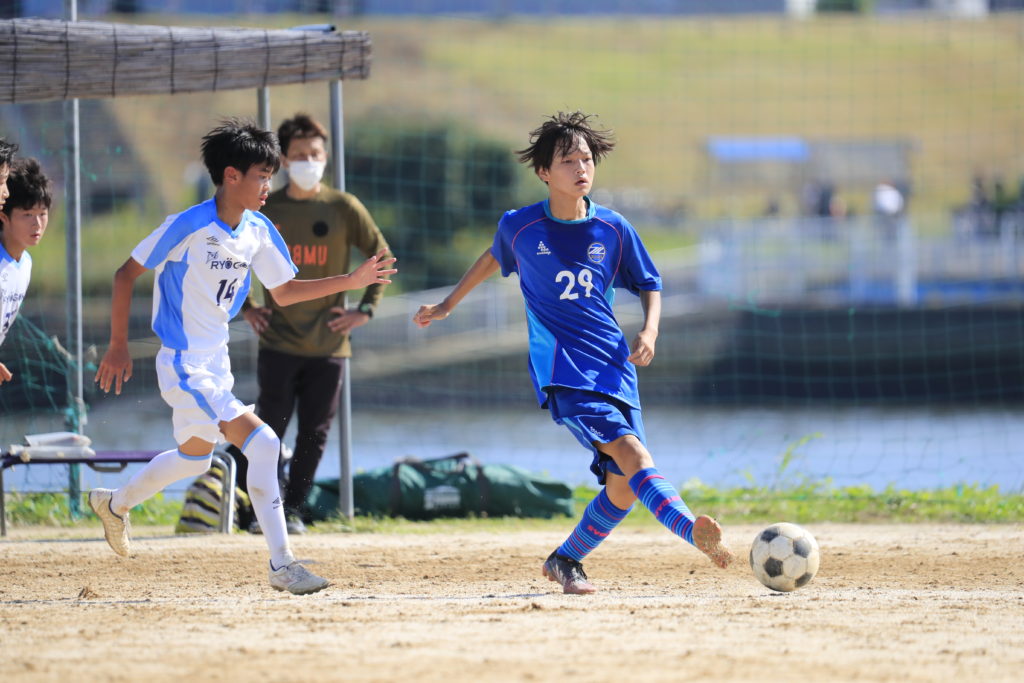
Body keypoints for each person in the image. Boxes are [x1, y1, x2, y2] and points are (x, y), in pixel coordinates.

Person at [413, 111, 733, 595]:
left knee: (622, 487)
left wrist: (650, 331)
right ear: (544, 172)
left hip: (615, 367)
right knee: (633, 454)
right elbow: (493, 257)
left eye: (586, 159)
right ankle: (694, 532)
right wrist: (447, 305)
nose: (581, 168)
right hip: (564, 371)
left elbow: (649, 282)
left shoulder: (613, 227)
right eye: (568, 161)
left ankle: (565, 560)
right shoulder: (520, 226)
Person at [90, 119, 396, 595]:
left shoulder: (258, 229)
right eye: (262, 176)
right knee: (265, 443)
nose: (269, 186)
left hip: (217, 363)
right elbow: (124, 274)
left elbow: (285, 291)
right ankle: (282, 564)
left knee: (195, 460)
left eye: (271, 176)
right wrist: (117, 345)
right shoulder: (189, 225)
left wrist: (351, 283)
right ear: (231, 176)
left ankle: (114, 504)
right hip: (183, 363)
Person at [231, 112, 390, 535]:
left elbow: (382, 256)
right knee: (267, 432)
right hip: (278, 341)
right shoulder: (267, 207)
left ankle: (293, 511)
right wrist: (248, 306)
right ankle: (257, 512)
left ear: (326, 157)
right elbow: (232, 255)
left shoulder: (344, 207)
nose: (308, 161)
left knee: (315, 434)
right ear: (283, 160)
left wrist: (365, 310)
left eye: (315, 153)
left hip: (329, 344)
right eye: (299, 154)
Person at [1, 155, 49, 386]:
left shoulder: (26, 263)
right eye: (27, 215)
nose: (36, 224)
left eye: (42, 214)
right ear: (4, 217)